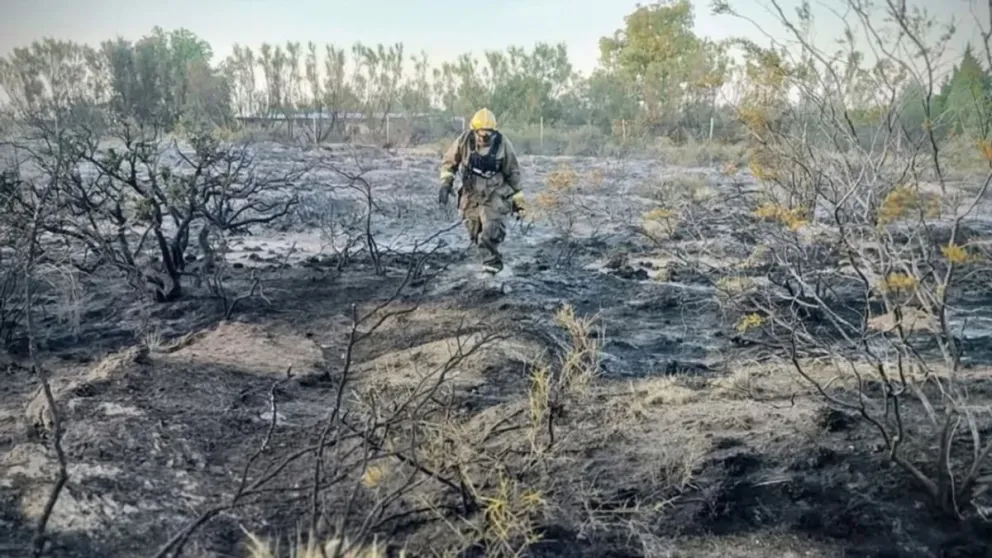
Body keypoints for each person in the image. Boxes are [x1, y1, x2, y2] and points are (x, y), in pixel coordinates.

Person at [438, 108, 525, 274]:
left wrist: (519, 201)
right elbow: (449, 162)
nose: (484, 137)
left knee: (491, 230)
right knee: (474, 231)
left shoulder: (503, 144)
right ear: (474, 130)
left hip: (494, 193)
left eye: (488, 133)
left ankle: (492, 268)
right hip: (470, 194)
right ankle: (484, 257)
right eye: (481, 133)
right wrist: (446, 184)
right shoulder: (464, 141)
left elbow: (513, 172)